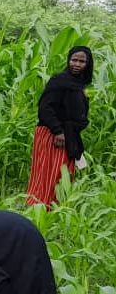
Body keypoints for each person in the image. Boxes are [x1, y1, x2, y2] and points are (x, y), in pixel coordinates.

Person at [26, 46, 93, 208]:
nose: (76, 64)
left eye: (81, 61)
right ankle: (40, 208)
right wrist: (58, 131)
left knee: (63, 174)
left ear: (88, 64)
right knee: (49, 173)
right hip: (53, 134)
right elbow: (45, 107)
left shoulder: (78, 84)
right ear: (68, 60)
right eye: (73, 60)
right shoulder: (59, 81)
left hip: (67, 134)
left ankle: (58, 209)